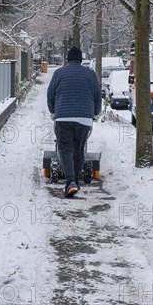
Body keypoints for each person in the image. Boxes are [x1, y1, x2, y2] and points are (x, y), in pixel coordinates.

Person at [47, 46, 102, 197]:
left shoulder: (58, 73)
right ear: (81, 60)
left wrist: (53, 111)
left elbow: (50, 95)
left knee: (65, 149)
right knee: (79, 149)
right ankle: (75, 183)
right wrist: (95, 113)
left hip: (64, 117)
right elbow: (97, 96)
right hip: (84, 119)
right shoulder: (90, 75)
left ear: (67, 59)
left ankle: (70, 182)